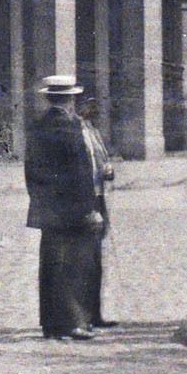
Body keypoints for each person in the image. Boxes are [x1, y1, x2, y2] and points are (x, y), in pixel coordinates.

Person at [25, 74, 104, 342]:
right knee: (74, 266)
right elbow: (80, 172)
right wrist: (89, 208)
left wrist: (40, 200)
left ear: (49, 98)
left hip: (48, 208)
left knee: (51, 265)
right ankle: (73, 322)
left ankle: (51, 324)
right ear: (70, 99)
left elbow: (31, 171)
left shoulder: (38, 126)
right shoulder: (71, 127)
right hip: (73, 208)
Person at [77, 100, 116, 328]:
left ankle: (95, 313)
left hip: (98, 197)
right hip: (84, 199)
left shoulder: (93, 131)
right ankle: (81, 315)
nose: (93, 110)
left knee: (96, 259)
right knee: (84, 258)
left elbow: (101, 159)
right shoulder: (76, 132)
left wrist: (108, 170)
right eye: (88, 105)